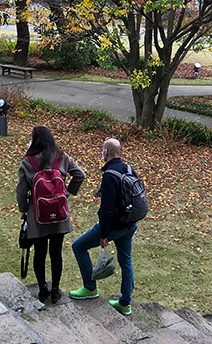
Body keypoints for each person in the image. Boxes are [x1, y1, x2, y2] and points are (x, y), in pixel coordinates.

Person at [70, 137, 138, 315]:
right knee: (126, 262)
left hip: (114, 226)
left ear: (106, 152)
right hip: (129, 225)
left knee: (78, 246)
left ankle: (90, 288)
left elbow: (107, 209)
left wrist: (104, 235)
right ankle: (125, 303)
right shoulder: (130, 169)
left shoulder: (109, 175)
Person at [17, 126, 85, 303]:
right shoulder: (61, 157)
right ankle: (55, 290)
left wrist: (23, 210)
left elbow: (21, 191)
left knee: (40, 253)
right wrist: (68, 193)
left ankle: (42, 289)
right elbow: (80, 175)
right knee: (56, 253)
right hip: (59, 214)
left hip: (37, 215)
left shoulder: (27, 161)